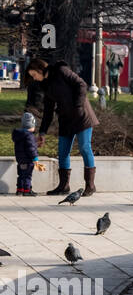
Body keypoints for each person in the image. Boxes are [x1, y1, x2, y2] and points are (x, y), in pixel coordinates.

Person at [27, 57, 99, 197]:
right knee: (63, 152)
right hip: (65, 120)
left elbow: (81, 84)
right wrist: (42, 132)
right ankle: (63, 186)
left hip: (81, 116)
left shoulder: (61, 71)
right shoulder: (45, 85)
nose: (34, 78)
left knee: (85, 147)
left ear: (40, 70)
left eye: (34, 75)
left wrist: (78, 106)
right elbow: (48, 111)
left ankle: (90, 185)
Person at [11, 111, 39, 196]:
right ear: (31, 125)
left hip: (20, 160)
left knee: (21, 175)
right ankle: (27, 190)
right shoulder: (29, 136)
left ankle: (19, 190)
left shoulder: (19, 135)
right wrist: (35, 158)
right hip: (28, 160)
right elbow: (31, 148)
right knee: (27, 175)